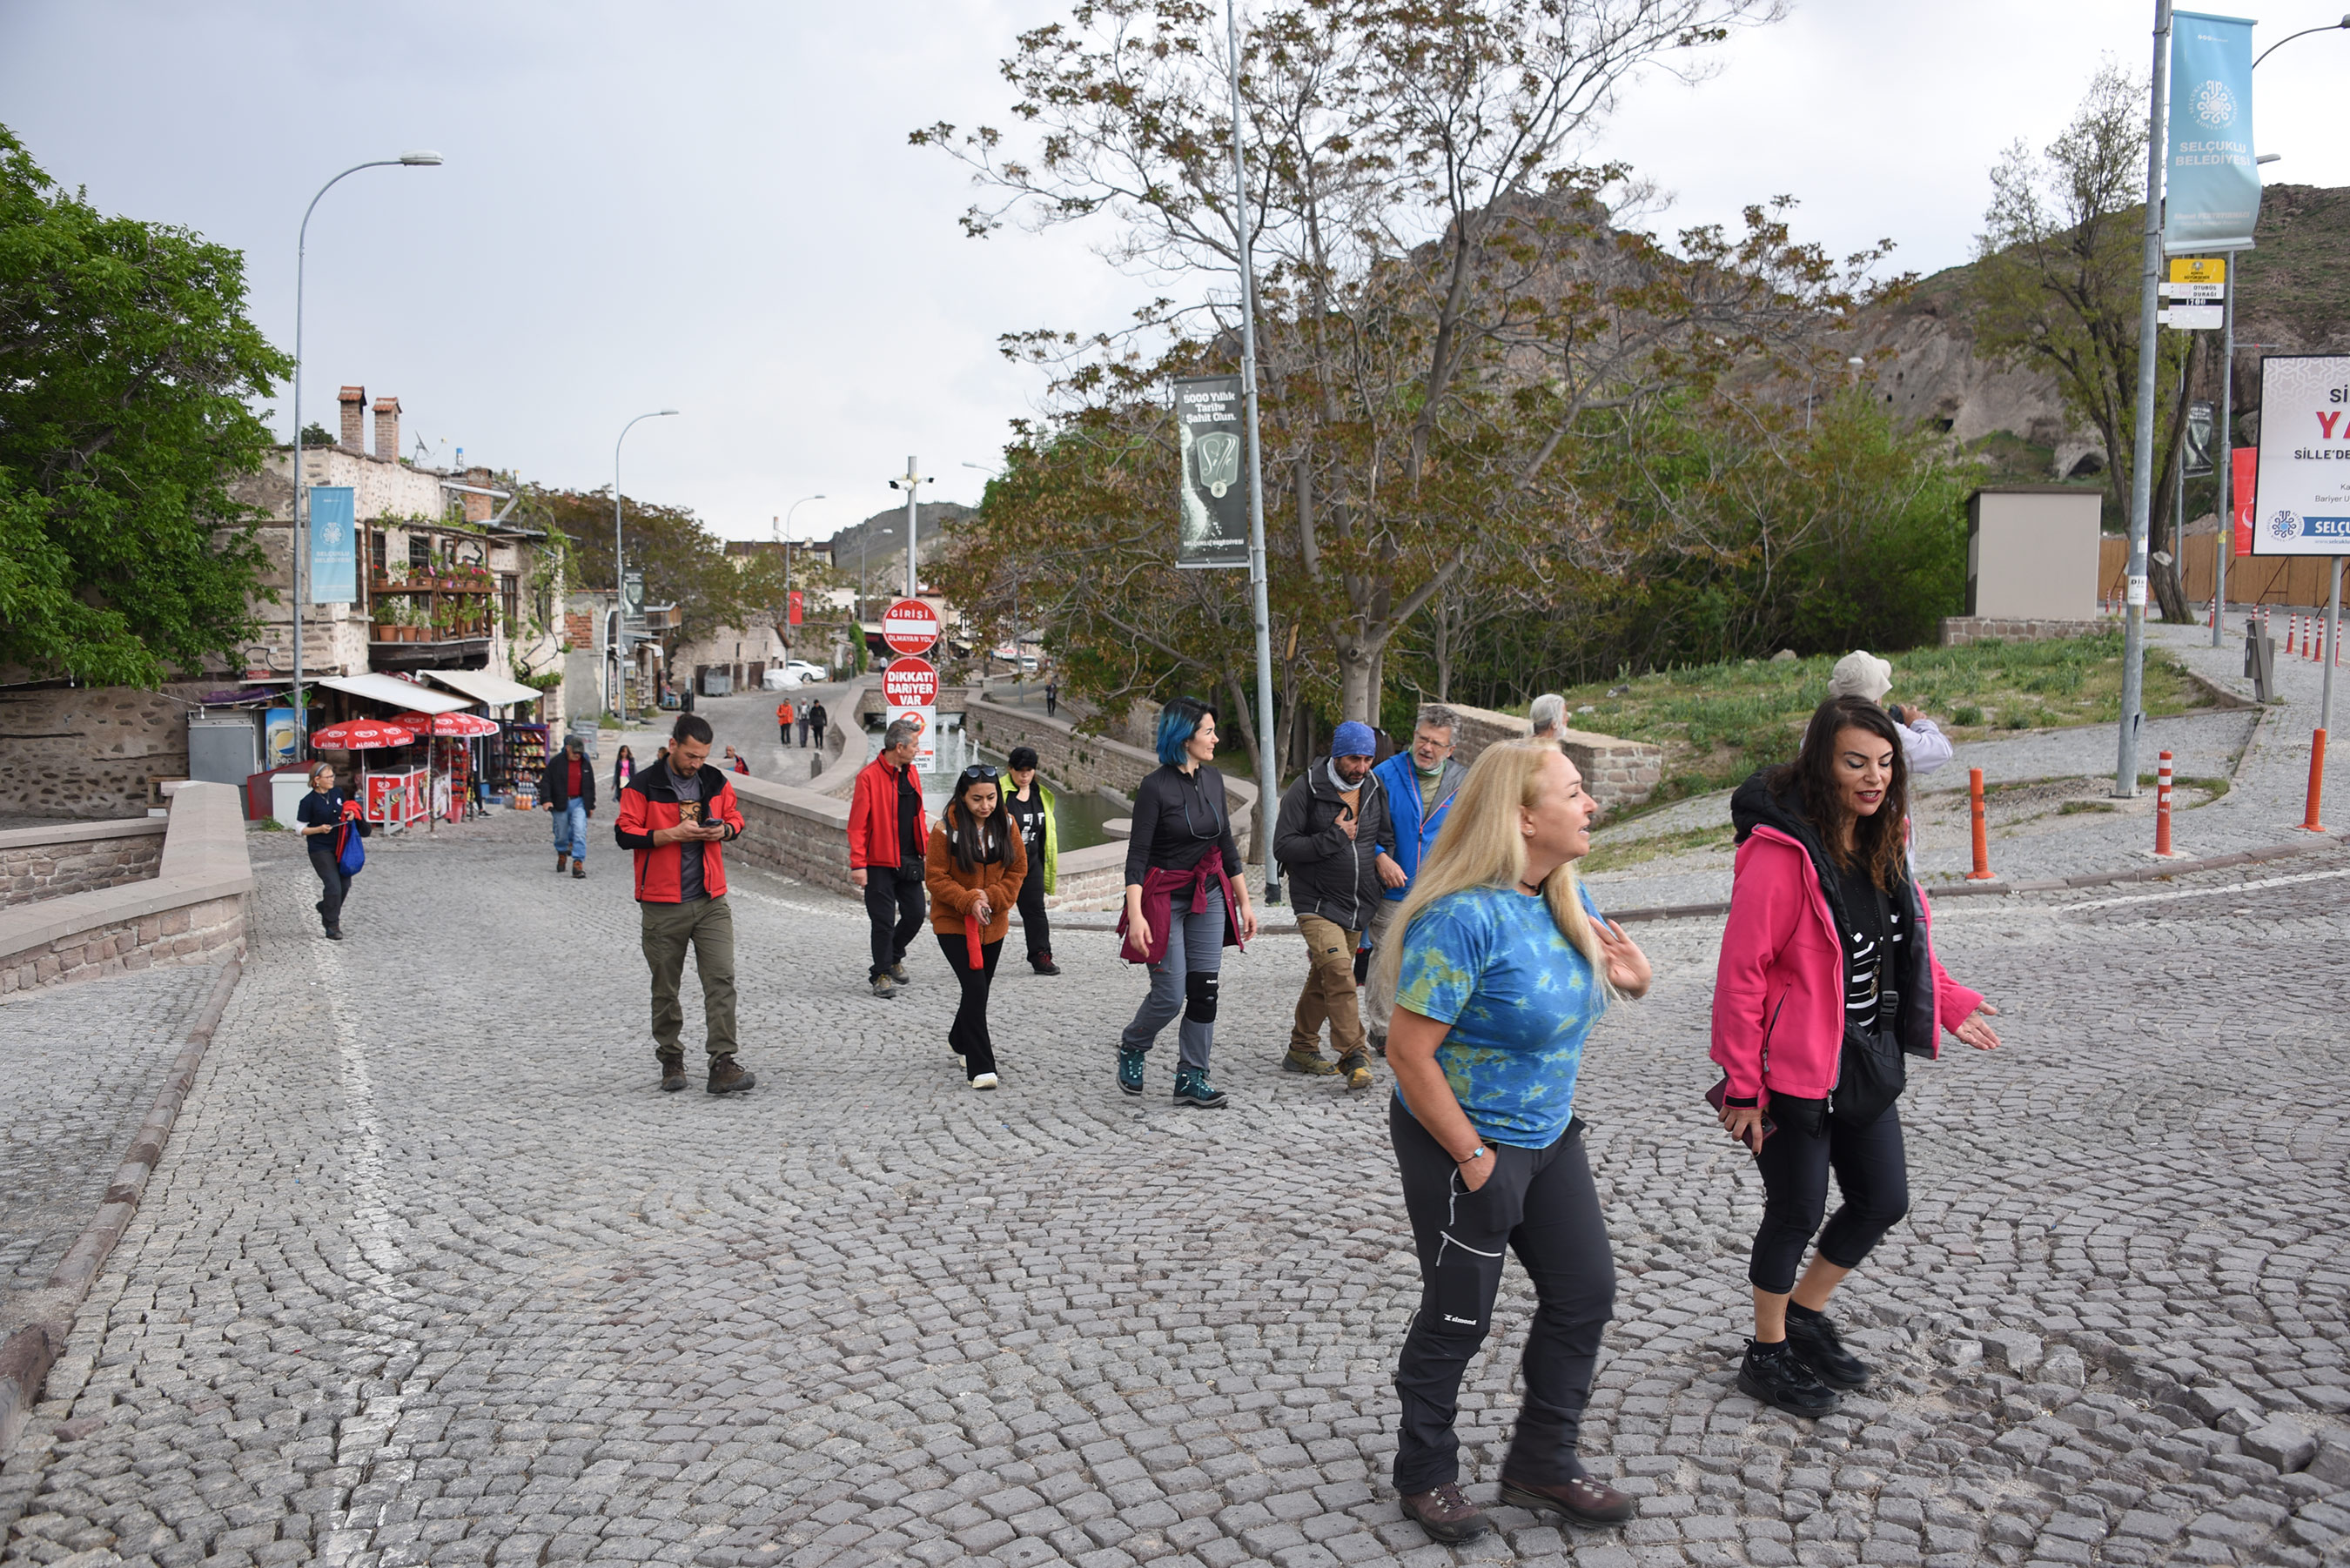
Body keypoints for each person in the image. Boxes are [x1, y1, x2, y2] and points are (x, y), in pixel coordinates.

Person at [1377, 742, 1653, 1544]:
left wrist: (1633, 980)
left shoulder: (1564, 894)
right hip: (1460, 1143)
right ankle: (1424, 1472)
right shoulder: (1461, 919)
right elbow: (1406, 1054)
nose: (1591, 804)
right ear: (1524, 816)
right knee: (1460, 1315)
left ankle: (1542, 1462)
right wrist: (1472, 1158)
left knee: (1585, 1293)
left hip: (1549, 1137)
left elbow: (1589, 989)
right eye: (1575, 791)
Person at [1711, 696, 2002, 1417]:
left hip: (1863, 1058)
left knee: (1882, 1200)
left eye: (1884, 763)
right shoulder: (1778, 854)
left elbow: (1895, 946)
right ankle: (1767, 1352)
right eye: (1854, 763)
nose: (1873, 778)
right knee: (1796, 1209)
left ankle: (1804, 1317)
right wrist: (1743, 1088)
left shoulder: (1883, 837)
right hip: (1790, 1071)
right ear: (1821, 764)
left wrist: (1951, 999)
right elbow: (1741, 973)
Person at [1116, 698, 1260, 1108]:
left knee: (1204, 990)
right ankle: (1133, 1044)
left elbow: (1226, 846)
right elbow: (1137, 858)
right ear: (1184, 737)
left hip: (1209, 896)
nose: (1215, 738)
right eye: (1208, 731)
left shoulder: (1213, 779)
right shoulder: (1154, 787)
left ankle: (1191, 1077)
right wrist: (1137, 914)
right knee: (1169, 994)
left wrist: (1244, 903)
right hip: (1163, 899)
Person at [614, 714, 755, 1096]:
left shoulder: (714, 780)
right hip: (662, 903)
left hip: (711, 899)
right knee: (665, 987)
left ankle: (722, 1062)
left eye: (703, 756)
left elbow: (735, 818)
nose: (697, 764)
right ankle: (671, 1058)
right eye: (691, 755)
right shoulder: (643, 785)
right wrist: (669, 835)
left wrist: (724, 830)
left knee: (721, 979)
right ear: (673, 745)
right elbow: (625, 833)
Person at [1272, 720, 1388, 1090]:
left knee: (1323, 978)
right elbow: (1283, 847)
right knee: (1340, 971)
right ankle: (1354, 1055)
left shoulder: (1372, 786)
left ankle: (1301, 1049)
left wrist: (1384, 863)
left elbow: (1382, 837)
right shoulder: (1305, 788)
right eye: (1355, 758)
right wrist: (1333, 837)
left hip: (1358, 903)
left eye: (1368, 758)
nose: (1362, 767)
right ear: (1337, 755)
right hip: (1315, 901)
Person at [1362, 707, 1468, 1056]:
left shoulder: (1463, 782)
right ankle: (1382, 1030)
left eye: (1437, 743)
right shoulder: (1384, 774)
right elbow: (1362, 828)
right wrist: (1380, 856)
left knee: (1434, 959)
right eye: (1423, 738)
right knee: (1387, 957)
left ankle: (1431, 1029)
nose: (1427, 748)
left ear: (1450, 749)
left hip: (1440, 889)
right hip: (1393, 886)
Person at [926, 764, 1028, 1089]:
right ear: (962, 797)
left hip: (993, 923)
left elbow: (1017, 871)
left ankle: (959, 1038)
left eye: (991, 798)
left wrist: (993, 897)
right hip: (953, 923)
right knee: (975, 988)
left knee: (978, 989)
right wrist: (969, 899)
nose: (985, 806)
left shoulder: (1007, 824)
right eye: (977, 799)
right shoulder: (945, 830)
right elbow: (936, 878)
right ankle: (981, 1067)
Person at [849, 717, 930, 999]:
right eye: (915, 745)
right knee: (882, 921)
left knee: (916, 914)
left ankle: (894, 955)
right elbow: (857, 825)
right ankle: (881, 973)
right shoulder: (868, 777)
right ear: (899, 747)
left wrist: (928, 849)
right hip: (879, 862)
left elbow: (919, 815)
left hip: (909, 859)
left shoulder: (912, 772)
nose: (918, 750)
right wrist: (858, 864)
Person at [1828, 652, 1952, 776]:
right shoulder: (1884, 730)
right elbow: (1941, 751)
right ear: (1877, 699)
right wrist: (1917, 722)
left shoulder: (1820, 725)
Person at [1001, 746, 1060, 975]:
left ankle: (1041, 956)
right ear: (1010, 769)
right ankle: (979, 954)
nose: (1025, 775)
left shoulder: (1041, 794)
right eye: (1020, 770)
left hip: (1032, 862)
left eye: (1030, 770)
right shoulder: (999, 793)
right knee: (994, 909)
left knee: (1036, 910)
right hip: (1005, 864)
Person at [294, 761, 370, 941]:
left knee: (345, 886)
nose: (333, 779)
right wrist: (318, 829)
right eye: (329, 777)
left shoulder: (337, 793)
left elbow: (342, 811)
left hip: (340, 845)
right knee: (333, 886)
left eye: (333, 776)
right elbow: (299, 829)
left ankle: (325, 906)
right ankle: (332, 924)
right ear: (317, 780)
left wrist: (350, 815)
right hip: (320, 848)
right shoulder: (308, 802)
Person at [540, 734, 596, 880]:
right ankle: (562, 852)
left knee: (579, 831)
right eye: (575, 752)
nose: (577, 755)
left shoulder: (584, 763)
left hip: (579, 802)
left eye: (579, 753)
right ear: (568, 749)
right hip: (560, 802)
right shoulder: (556, 763)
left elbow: (590, 785)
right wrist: (546, 800)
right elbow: (546, 782)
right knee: (561, 833)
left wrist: (590, 805)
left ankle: (578, 862)